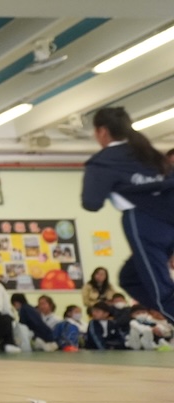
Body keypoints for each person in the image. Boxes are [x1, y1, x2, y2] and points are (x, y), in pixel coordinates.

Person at [81, 107, 174, 321]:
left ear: (102, 131)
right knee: (129, 277)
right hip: (169, 220)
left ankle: (168, 309)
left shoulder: (104, 161)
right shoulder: (150, 154)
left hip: (144, 223)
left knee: (162, 292)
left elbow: (91, 203)